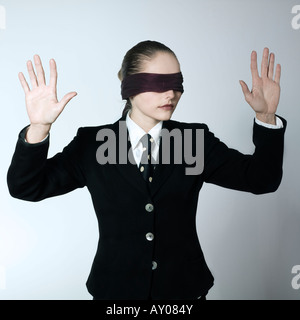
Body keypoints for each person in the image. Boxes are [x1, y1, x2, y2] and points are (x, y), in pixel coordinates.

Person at [7, 40, 286, 300]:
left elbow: (261, 179)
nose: (171, 93)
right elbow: (26, 187)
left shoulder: (195, 141)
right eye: (158, 83)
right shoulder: (91, 144)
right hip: (114, 292)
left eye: (177, 83)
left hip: (184, 292)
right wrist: (39, 128)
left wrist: (266, 117)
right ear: (129, 86)